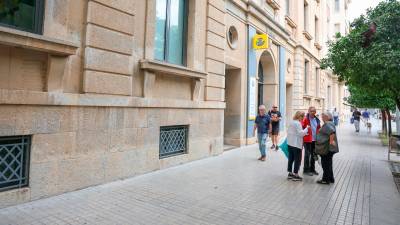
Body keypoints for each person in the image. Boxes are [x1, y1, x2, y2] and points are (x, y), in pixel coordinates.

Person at [315, 112, 339, 184]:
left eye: (323, 117)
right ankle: (331, 178)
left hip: (327, 148)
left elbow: (332, 132)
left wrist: (331, 141)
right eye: (322, 116)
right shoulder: (331, 123)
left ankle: (325, 180)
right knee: (328, 164)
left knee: (325, 164)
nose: (322, 118)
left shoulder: (327, 124)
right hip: (330, 148)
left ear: (328, 117)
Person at [287, 111, 309, 181]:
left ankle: (290, 173)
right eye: (303, 116)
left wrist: (304, 133)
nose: (303, 118)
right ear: (300, 116)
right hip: (296, 144)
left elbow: (294, 132)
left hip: (290, 143)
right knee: (297, 160)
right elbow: (300, 133)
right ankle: (296, 175)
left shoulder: (292, 122)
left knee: (291, 159)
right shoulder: (298, 123)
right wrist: (307, 129)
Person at [302, 106, 321, 176]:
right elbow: (301, 127)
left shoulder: (317, 119)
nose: (312, 112)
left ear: (315, 112)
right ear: (308, 111)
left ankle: (312, 169)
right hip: (307, 140)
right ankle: (306, 170)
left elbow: (319, 128)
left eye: (314, 111)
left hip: (315, 140)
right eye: (311, 111)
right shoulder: (305, 119)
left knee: (313, 155)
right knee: (307, 155)